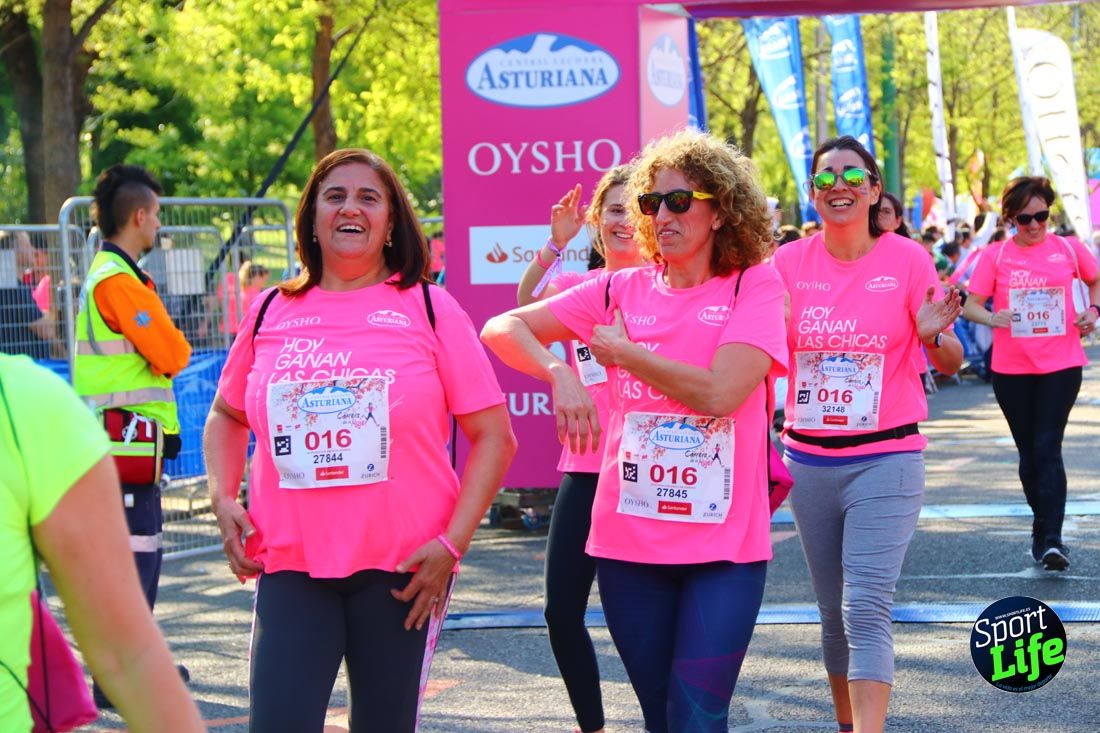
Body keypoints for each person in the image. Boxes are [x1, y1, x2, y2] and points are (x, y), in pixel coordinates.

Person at [483, 129, 788, 733]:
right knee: (660, 719)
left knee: (698, 719)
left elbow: (723, 392)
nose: (661, 214)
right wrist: (558, 375)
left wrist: (626, 356)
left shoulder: (753, 284)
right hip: (629, 547)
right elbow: (500, 327)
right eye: (652, 203)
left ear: (721, 207)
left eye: (680, 200)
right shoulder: (618, 288)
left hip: (723, 549)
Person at [203, 148, 516, 733]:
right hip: (292, 567)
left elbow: (495, 437)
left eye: (369, 197)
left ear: (391, 221)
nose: (352, 208)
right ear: (313, 218)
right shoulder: (271, 309)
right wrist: (224, 500)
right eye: (336, 196)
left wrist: (451, 547)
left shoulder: (429, 307)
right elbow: (226, 414)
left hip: (404, 572)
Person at [772, 136, 963, 733]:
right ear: (812, 193)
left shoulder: (906, 259)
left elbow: (951, 359)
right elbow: (763, 351)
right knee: (832, 613)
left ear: (874, 189)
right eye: (825, 177)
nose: (839, 185)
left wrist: (932, 334)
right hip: (808, 460)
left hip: (887, 458)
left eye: (853, 174)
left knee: (865, 606)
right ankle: (847, 725)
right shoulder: (786, 264)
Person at [0, 354, 204, 732]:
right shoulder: (116, 290)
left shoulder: (25, 405)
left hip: (133, 443)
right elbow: (170, 349)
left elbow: (128, 654)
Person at [514, 166, 644, 733]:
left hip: (644, 475)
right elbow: (522, 306)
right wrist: (554, 244)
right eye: (611, 209)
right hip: (585, 470)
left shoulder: (668, 290)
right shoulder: (577, 292)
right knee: (560, 611)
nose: (622, 220)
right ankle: (592, 725)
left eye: (631, 208)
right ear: (597, 221)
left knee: (637, 620)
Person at [72, 164, 192, 707]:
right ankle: (122, 675)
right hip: (124, 448)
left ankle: (125, 668)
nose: (159, 226)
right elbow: (171, 353)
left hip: (123, 446)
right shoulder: (119, 282)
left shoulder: (112, 276)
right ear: (139, 216)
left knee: (133, 557)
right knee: (135, 559)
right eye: (157, 216)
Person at [961, 176, 1100, 571]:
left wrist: (1092, 313)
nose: (1036, 225)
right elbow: (972, 306)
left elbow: (1095, 281)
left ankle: (1052, 538)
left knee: (1046, 445)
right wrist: (994, 317)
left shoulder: (1068, 250)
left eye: (1042, 215)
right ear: (1010, 219)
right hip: (1012, 368)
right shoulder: (996, 256)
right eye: (1026, 218)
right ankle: (1041, 527)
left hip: (1062, 363)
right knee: (1028, 453)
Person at [0, 232, 53, 359]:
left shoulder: (10, 285)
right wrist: (47, 315)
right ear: (14, 251)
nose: (34, 250)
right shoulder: (11, 289)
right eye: (28, 245)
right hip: (23, 372)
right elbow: (46, 331)